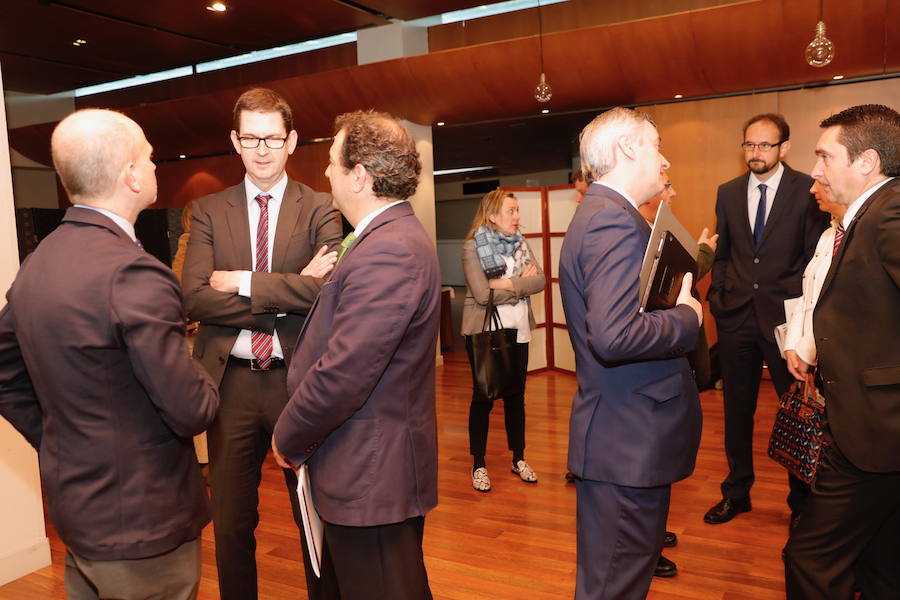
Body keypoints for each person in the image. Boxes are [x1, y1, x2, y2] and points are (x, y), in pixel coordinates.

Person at [0, 108, 219, 599]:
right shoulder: (133, 273)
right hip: (144, 516)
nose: (155, 165)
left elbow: (5, 372)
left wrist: (63, 438)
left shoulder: (39, 262)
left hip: (78, 506)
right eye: (149, 156)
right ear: (131, 174)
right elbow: (191, 409)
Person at [181, 87, 343, 600]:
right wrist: (287, 292)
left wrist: (244, 282)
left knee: (312, 516)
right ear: (235, 140)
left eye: (273, 137)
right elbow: (194, 298)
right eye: (250, 137)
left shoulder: (321, 207)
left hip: (297, 382)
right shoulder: (207, 209)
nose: (262, 149)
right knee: (230, 523)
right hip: (229, 387)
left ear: (292, 141)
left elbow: (328, 290)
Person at [273, 109, 440, 600]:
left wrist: (287, 436)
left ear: (360, 176)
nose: (325, 173)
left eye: (331, 163)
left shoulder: (388, 249)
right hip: (367, 468)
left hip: (373, 476)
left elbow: (343, 373)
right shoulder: (384, 238)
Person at [559, 107, 703, 599]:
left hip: (628, 439)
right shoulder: (611, 223)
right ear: (627, 149)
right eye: (657, 146)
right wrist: (688, 318)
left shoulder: (609, 215)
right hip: (626, 442)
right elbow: (615, 335)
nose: (664, 161)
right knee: (611, 588)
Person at [784, 103, 900, 599]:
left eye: (824, 157)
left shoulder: (890, 211)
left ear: (866, 162)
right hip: (873, 430)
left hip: (875, 431)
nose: (814, 170)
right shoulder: (864, 217)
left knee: (810, 559)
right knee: (881, 562)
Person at [705, 113, 828, 526]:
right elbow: (723, 255)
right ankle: (736, 493)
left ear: (784, 148)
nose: (755, 153)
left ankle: (800, 504)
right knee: (736, 412)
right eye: (749, 145)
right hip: (735, 318)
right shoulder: (728, 192)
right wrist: (719, 299)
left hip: (785, 325)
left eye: (764, 145)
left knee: (795, 411)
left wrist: (801, 321)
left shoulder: (806, 191)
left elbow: (813, 258)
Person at [637, 174, 719, 578]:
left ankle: (654, 534)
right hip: (653, 367)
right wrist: (704, 251)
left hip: (671, 362)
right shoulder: (642, 240)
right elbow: (677, 283)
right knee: (652, 465)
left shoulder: (654, 234)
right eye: (666, 188)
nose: (674, 193)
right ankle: (647, 545)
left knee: (665, 459)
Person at [460, 189, 546, 492]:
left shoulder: (521, 244)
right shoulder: (473, 247)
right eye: (511, 211)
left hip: (519, 328)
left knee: (515, 396)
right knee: (483, 397)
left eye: (517, 210)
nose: (517, 216)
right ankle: (478, 464)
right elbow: (482, 295)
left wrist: (506, 283)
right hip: (484, 332)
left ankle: (518, 458)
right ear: (493, 215)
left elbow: (541, 280)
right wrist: (521, 283)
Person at [779, 181, 846, 380]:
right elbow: (808, 295)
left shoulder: (854, 236)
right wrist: (791, 344)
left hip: (838, 358)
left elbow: (837, 303)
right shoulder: (828, 235)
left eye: (822, 182)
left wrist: (806, 349)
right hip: (817, 356)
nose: (812, 188)